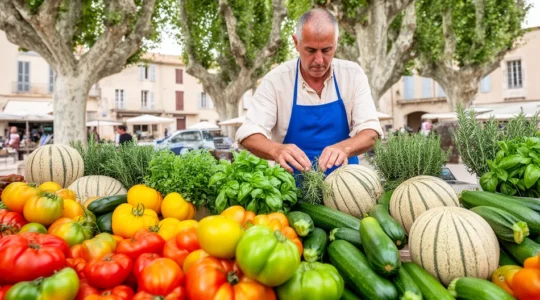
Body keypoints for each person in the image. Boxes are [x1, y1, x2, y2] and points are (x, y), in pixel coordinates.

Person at [235, 8, 383, 174]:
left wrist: (345, 148)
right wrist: (276, 150)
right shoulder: (276, 81)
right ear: (296, 43)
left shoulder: (353, 75)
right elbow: (249, 133)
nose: (319, 60)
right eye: (311, 50)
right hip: (289, 190)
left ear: (336, 42)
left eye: (327, 50)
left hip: (346, 191)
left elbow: (371, 131)